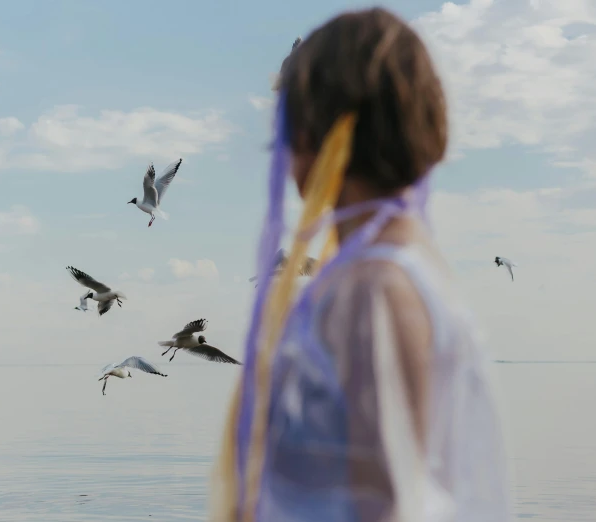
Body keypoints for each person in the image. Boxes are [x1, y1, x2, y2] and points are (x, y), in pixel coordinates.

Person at [210, 7, 511, 522]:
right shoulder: (403, 267)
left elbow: (387, 505)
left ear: (319, 136)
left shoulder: (371, 287)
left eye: (285, 131)